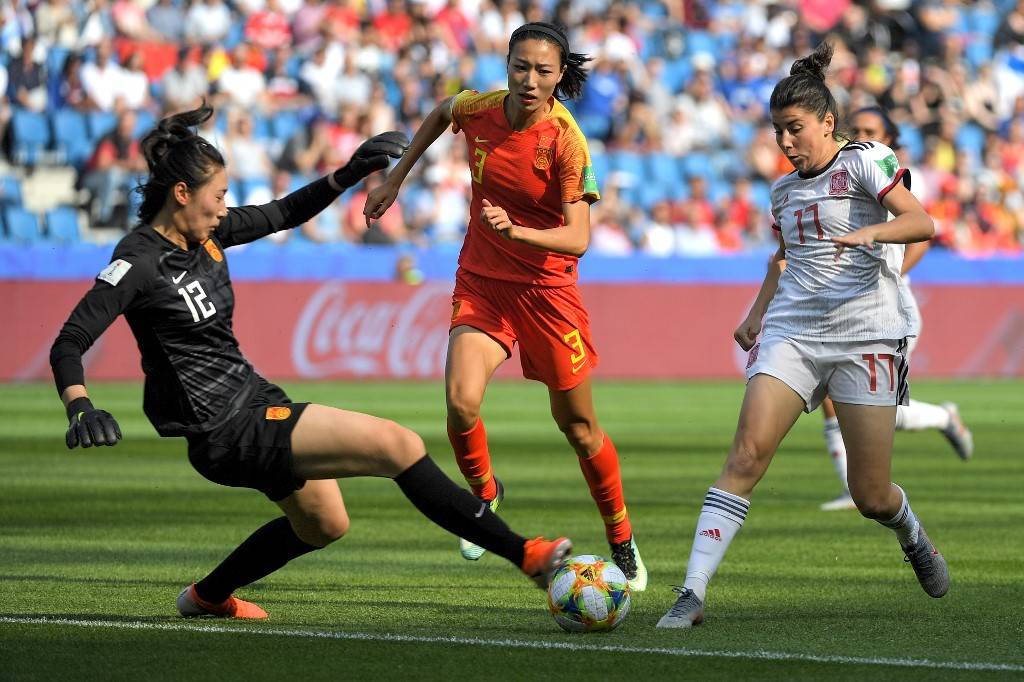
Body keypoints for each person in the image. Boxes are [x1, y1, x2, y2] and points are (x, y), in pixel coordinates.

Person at [49, 105, 572, 620]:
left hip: (253, 401)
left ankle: (207, 597)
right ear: (181, 194)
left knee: (324, 524)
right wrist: (80, 406)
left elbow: (283, 212)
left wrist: (347, 174)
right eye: (219, 196)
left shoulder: (207, 233)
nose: (224, 209)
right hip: (221, 430)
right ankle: (526, 553)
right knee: (397, 445)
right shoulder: (139, 259)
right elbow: (70, 340)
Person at [657, 43, 949, 629]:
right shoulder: (783, 192)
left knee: (870, 495)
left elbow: (922, 221)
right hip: (793, 333)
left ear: (827, 122)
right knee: (746, 455)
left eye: (795, 129)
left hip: (867, 334)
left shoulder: (865, 161)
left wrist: (872, 235)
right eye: (777, 131)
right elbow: (784, 259)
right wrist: (756, 315)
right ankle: (692, 592)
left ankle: (910, 531)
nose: (785, 142)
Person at [363, 21, 647, 591]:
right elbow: (443, 111)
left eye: (543, 71)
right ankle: (485, 496)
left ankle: (621, 538)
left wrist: (516, 232)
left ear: (559, 76)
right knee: (460, 403)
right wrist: (395, 179)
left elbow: (578, 238)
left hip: (548, 293)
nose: (530, 80)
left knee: (579, 429)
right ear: (507, 65)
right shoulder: (482, 109)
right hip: (483, 282)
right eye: (521, 67)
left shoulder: (566, 140)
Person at [818, 106, 973, 511]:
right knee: (836, 395)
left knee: (876, 408)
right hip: (850, 304)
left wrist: (890, 277)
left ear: (890, 138)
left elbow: (921, 234)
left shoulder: (895, 173)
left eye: (872, 130)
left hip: (888, 306)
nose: (862, 135)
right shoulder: (845, 171)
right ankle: (850, 487)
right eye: (857, 129)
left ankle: (943, 418)